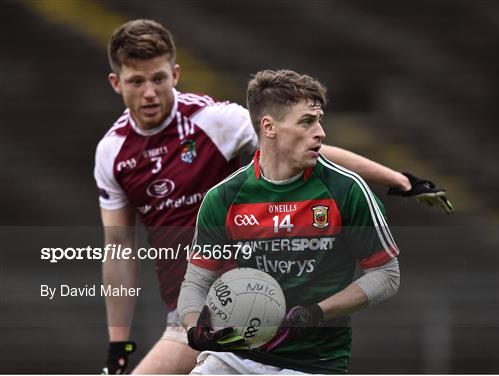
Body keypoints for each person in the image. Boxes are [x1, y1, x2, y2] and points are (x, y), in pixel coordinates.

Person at [94, 19, 450, 374]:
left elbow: (305, 146)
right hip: (190, 305)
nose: (150, 93)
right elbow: (119, 249)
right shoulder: (112, 151)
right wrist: (118, 341)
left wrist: (399, 180)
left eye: (158, 79)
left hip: (242, 298)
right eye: (136, 82)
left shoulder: (215, 121)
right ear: (116, 82)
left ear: (175, 73)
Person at [177, 69, 400, 374]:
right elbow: (197, 280)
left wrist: (315, 313)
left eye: (319, 120)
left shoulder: (346, 189)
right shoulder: (224, 197)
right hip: (235, 354)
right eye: (307, 121)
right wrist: (193, 329)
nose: (320, 132)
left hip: (313, 363)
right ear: (269, 126)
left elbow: (386, 274)